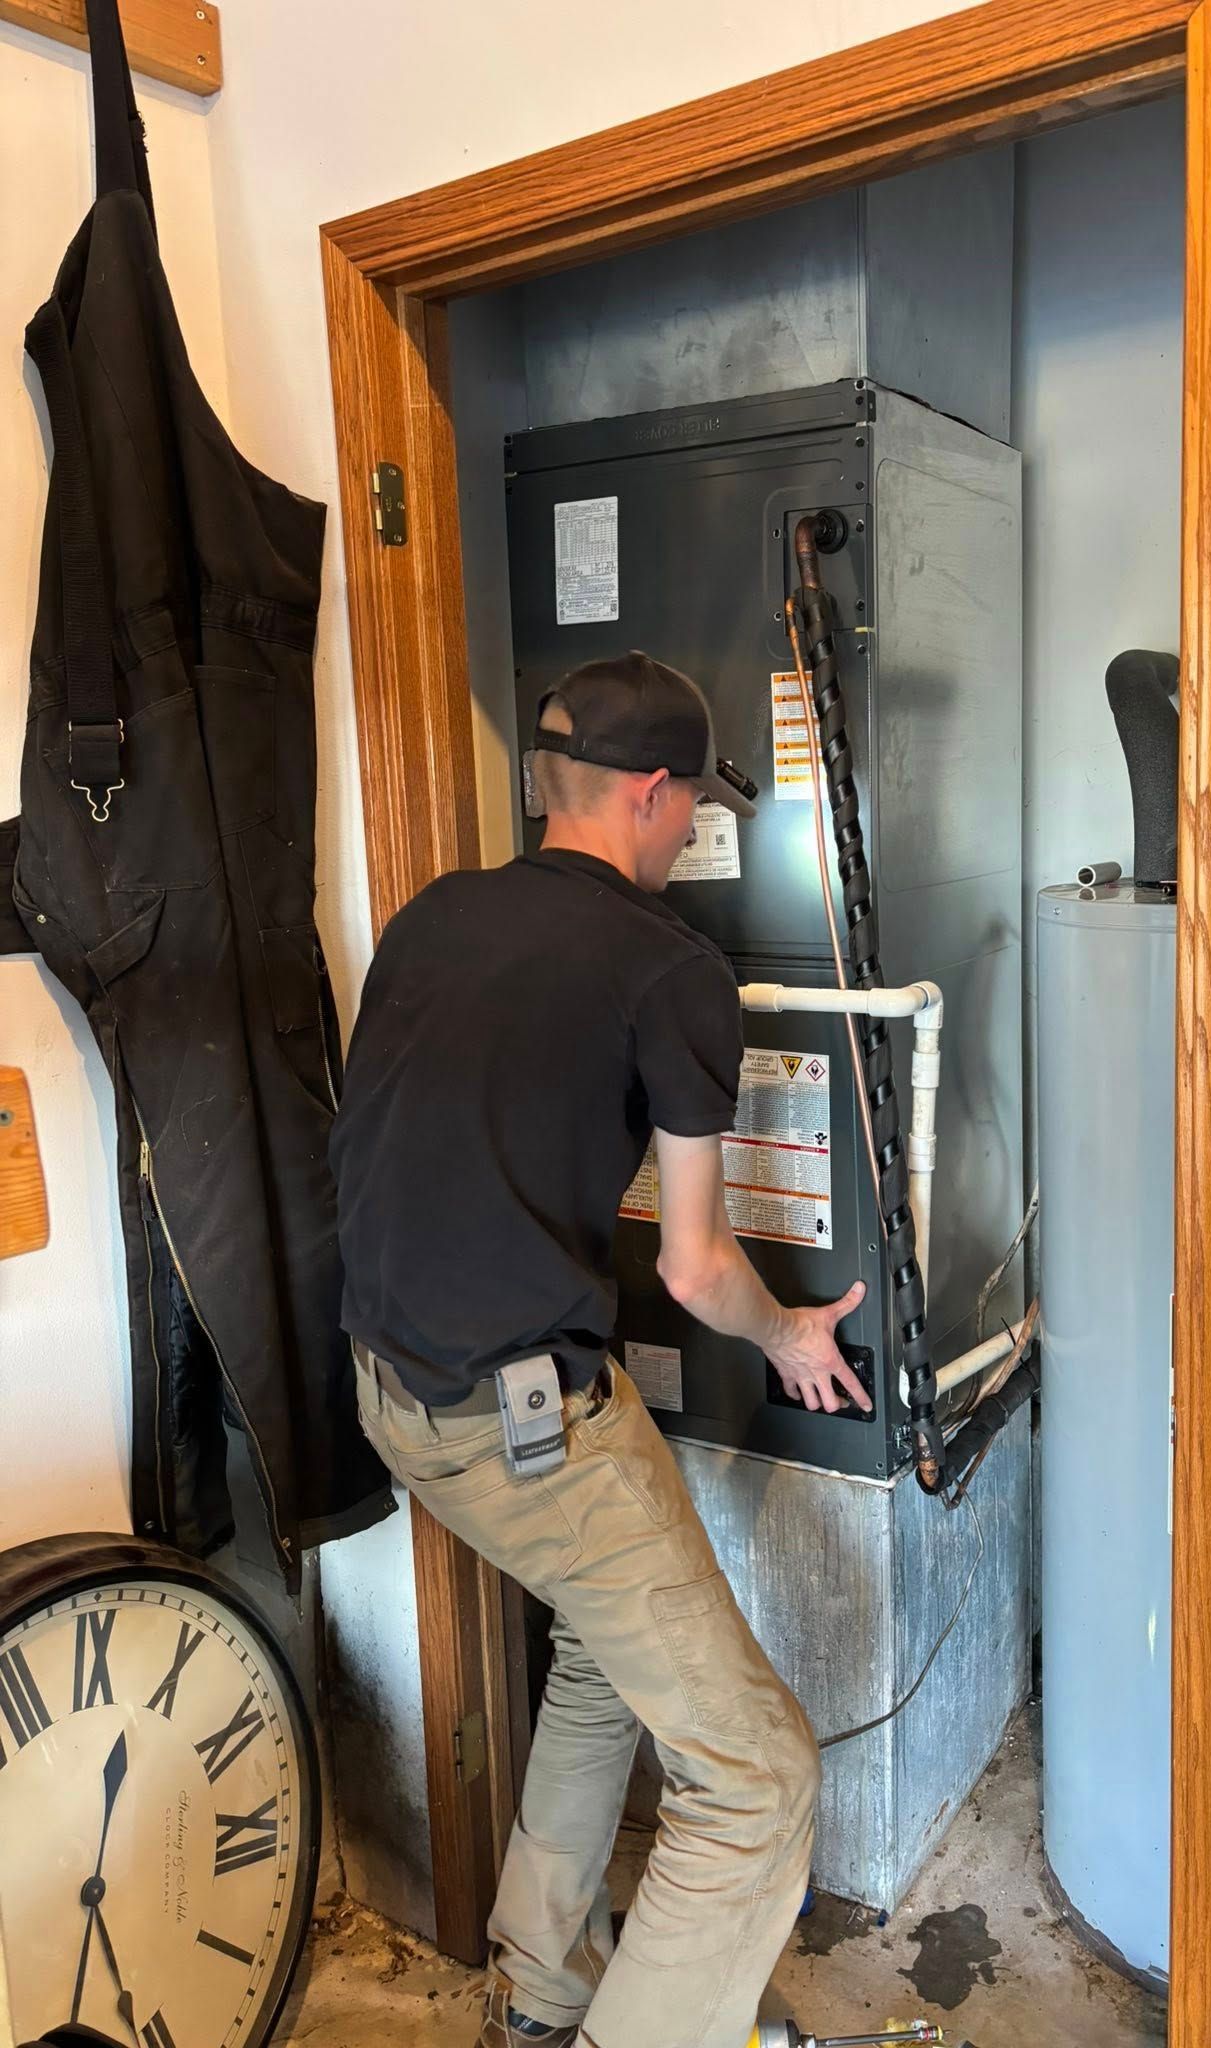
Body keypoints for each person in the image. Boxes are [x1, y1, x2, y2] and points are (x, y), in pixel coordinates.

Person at [329, 651, 871, 2048]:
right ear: (648, 796)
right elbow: (696, 1269)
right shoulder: (672, 971)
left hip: (391, 1390)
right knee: (756, 1777)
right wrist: (794, 1332)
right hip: (523, 1423)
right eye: (690, 799)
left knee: (596, 1648)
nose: (692, 822)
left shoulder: (433, 915)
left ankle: (539, 1988)